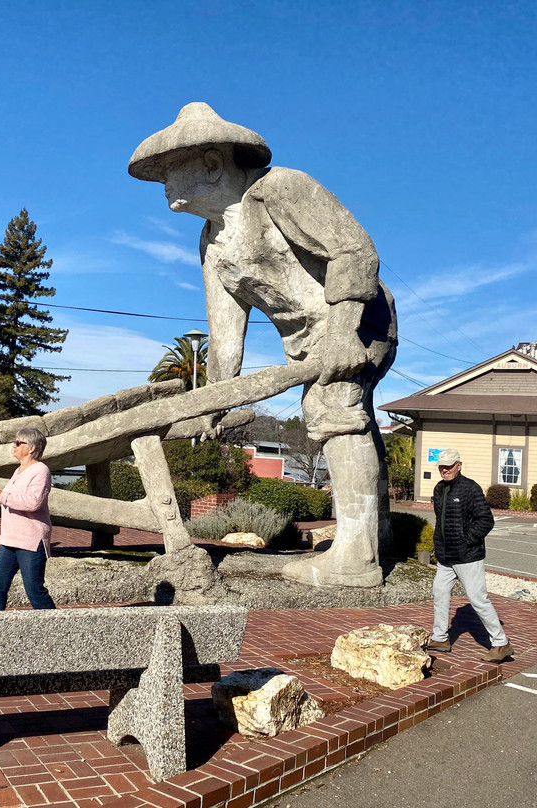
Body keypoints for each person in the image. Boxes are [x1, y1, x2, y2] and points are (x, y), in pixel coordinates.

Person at [129, 102, 397, 587]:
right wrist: (209, 405)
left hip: (359, 320)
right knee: (353, 419)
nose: (165, 182)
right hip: (309, 343)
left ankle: (357, 561)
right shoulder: (212, 242)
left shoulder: (278, 190)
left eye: (173, 168)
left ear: (211, 163)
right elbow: (225, 339)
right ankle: (379, 537)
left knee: (334, 409)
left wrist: (341, 332)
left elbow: (354, 248)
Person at [428, 448, 514, 662]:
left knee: (478, 600)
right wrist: (438, 544)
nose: (445, 469)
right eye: (442, 466)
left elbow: (486, 520)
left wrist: (466, 541)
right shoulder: (439, 489)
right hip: (446, 557)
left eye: (449, 465)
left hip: (468, 556)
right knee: (439, 593)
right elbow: (442, 521)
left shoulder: (470, 488)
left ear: (459, 465)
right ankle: (440, 638)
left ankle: (501, 643)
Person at [0, 427, 56, 611]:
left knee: (34, 590)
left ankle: (58, 627)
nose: (14, 445)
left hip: (31, 541)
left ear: (31, 448)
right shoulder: (18, 471)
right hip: (9, 540)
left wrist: (2, 495)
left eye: (18, 442)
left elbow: (33, 503)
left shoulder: (41, 471)